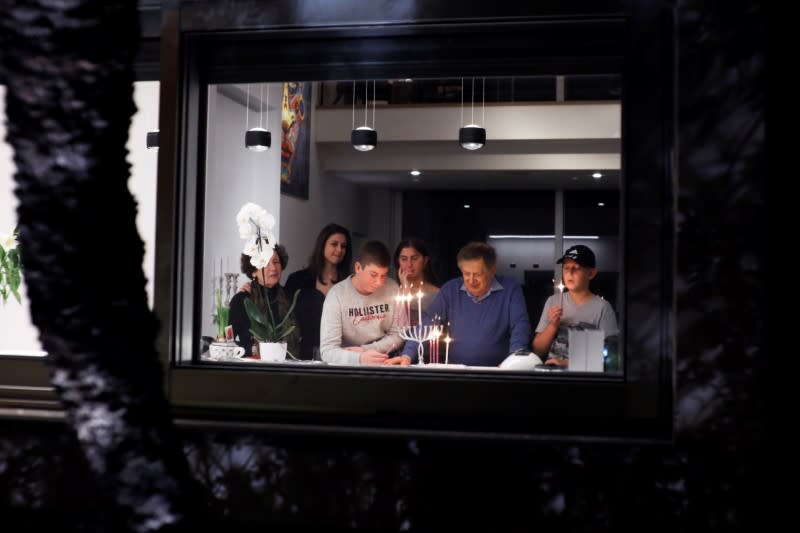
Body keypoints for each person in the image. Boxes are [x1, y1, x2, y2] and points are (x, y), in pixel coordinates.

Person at [401, 241, 531, 367]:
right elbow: (428, 323)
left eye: (477, 274)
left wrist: (515, 361)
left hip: (498, 370)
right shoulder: (450, 290)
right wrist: (407, 355)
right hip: (458, 371)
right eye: (466, 274)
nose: (471, 280)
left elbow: (520, 326)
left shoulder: (510, 289)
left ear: (492, 270)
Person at [319, 240, 409, 366]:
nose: (379, 282)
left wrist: (366, 350)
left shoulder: (392, 288)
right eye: (373, 275)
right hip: (347, 367)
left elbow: (400, 334)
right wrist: (359, 358)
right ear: (358, 268)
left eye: (383, 275)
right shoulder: (336, 295)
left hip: (386, 362)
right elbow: (327, 350)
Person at [532, 244, 619, 367]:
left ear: (591, 273)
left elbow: (610, 355)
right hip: (553, 373)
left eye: (576, 268)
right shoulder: (553, 301)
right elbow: (538, 350)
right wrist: (552, 325)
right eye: (566, 268)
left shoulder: (603, 308)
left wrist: (567, 363)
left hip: (585, 377)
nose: (570, 272)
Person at [284, 223, 352, 359]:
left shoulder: (349, 283)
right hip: (301, 354)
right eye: (334, 244)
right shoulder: (297, 279)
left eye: (343, 246)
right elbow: (284, 312)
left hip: (339, 355)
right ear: (322, 246)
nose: (339, 250)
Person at [228, 245, 301, 359]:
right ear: (253, 271)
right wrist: (253, 349)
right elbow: (226, 344)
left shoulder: (290, 298)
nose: (273, 268)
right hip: (253, 371)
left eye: (276, 261)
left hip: (288, 369)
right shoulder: (242, 301)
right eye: (265, 263)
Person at [393, 238, 440, 323]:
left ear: (425, 261)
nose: (409, 264)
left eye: (414, 258)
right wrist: (405, 287)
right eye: (404, 259)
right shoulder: (392, 292)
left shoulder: (437, 294)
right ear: (398, 261)